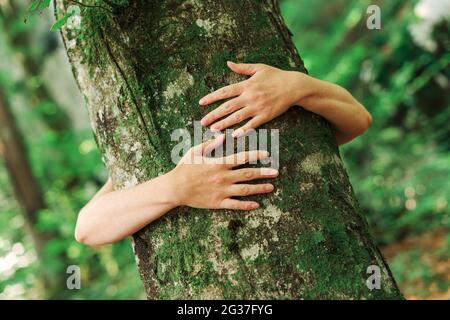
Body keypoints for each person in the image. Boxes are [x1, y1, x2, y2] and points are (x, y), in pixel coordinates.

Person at [75, 61, 372, 246]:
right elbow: (88, 228)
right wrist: (177, 187)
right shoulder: (146, 152)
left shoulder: (276, 102)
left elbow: (357, 120)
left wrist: (299, 86)